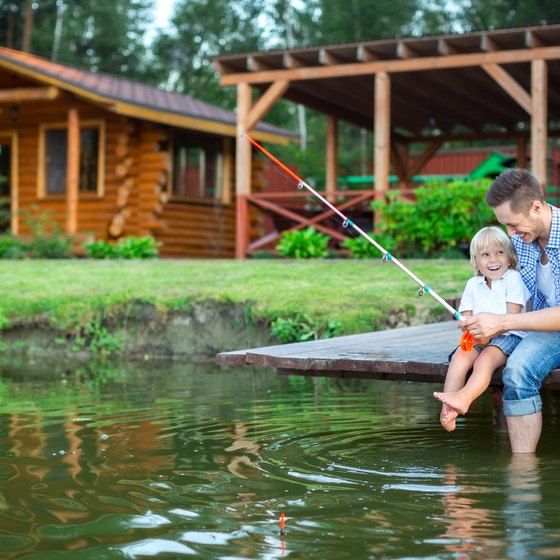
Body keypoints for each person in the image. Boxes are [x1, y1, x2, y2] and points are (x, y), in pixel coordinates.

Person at [460, 168, 560, 453]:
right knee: (516, 372)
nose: (511, 234)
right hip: (542, 330)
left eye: (513, 225)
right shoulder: (520, 241)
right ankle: (523, 473)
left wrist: (502, 322)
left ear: (536, 207)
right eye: (505, 225)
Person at [434, 226, 530, 431]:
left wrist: (489, 334)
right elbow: (466, 317)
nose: (493, 260)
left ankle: (464, 398)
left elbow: (511, 318)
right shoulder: (473, 284)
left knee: (485, 360)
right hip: (479, 337)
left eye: (499, 253)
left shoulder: (513, 278)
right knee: (460, 357)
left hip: (509, 335)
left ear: (509, 256)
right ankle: (448, 409)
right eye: (485, 255)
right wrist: (467, 326)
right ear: (476, 261)